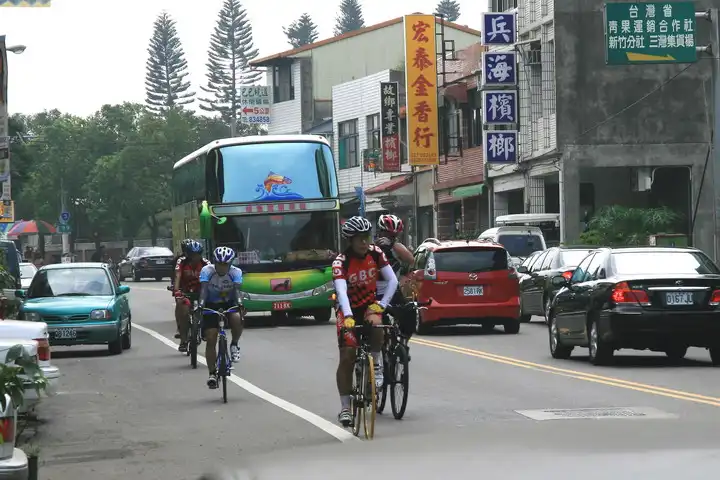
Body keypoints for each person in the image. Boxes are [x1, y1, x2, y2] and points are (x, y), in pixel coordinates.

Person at [332, 216, 398, 426]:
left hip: (369, 305)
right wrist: (348, 316)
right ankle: (345, 407)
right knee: (348, 355)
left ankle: (375, 365)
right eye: (359, 238)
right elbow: (341, 291)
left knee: (377, 324)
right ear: (350, 240)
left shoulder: (376, 253)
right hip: (348, 308)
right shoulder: (341, 262)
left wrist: (382, 305)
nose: (364, 242)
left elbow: (392, 280)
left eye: (367, 237)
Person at [197, 246, 244, 389]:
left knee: (236, 317)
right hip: (211, 304)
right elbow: (204, 290)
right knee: (211, 337)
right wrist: (200, 305)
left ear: (230, 264)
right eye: (219, 264)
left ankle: (234, 344)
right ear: (214, 262)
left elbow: (237, 291)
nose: (222, 267)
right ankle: (212, 373)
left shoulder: (236, 272)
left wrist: (240, 304)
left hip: (229, 303)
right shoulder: (207, 271)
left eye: (225, 264)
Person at [375, 214, 416, 340]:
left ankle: (403, 341)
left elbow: (411, 259)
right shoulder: (370, 247)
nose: (389, 238)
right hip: (373, 289)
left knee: (409, 312)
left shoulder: (397, 247)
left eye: (393, 236)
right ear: (380, 232)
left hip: (393, 289)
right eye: (387, 234)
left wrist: (392, 246)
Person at [173, 240, 210, 353]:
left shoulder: (206, 263)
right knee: (182, 308)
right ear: (188, 255)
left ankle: (205, 329)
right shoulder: (182, 262)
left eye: (198, 254)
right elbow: (177, 275)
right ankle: (183, 339)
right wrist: (176, 290)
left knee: (209, 307)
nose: (196, 257)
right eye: (193, 255)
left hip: (201, 292)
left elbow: (212, 276)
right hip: (186, 292)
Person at [172, 239, 193, 339]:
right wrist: (175, 288)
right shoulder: (179, 260)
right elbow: (176, 275)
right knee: (179, 304)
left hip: (196, 286)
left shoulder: (200, 260)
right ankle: (179, 327)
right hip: (182, 285)